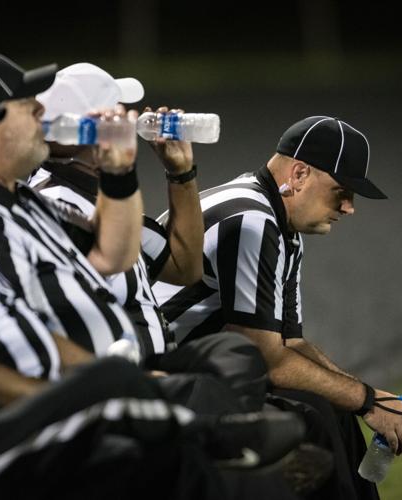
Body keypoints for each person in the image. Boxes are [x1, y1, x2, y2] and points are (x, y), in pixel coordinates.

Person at [0, 74, 305, 500]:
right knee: (163, 438)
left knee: (212, 370)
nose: (125, 120)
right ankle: (226, 445)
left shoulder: (25, 204)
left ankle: (223, 443)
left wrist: (165, 174)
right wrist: (85, 389)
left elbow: (166, 263)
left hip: (75, 383)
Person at [154, 115, 402, 499]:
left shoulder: (279, 224)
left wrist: (366, 396)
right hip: (156, 379)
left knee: (334, 407)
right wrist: (365, 401)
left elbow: (290, 344)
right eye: (341, 191)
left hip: (194, 371)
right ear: (298, 174)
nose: (349, 208)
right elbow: (267, 358)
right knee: (311, 419)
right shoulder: (253, 219)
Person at [30, 62, 268, 414]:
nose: (129, 120)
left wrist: (180, 172)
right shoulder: (59, 206)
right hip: (121, 382)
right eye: (118, 112)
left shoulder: (97, 194)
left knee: (237, 357)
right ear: (91, 129)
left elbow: (184, 266)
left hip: (155, 367)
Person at [0, 50, 143, 356]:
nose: (39, 108)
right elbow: (17, 341)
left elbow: (113, 256)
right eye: (24, 103)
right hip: (80, 392)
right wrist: (117, 377)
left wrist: (118, 174)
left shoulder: (25, 200)